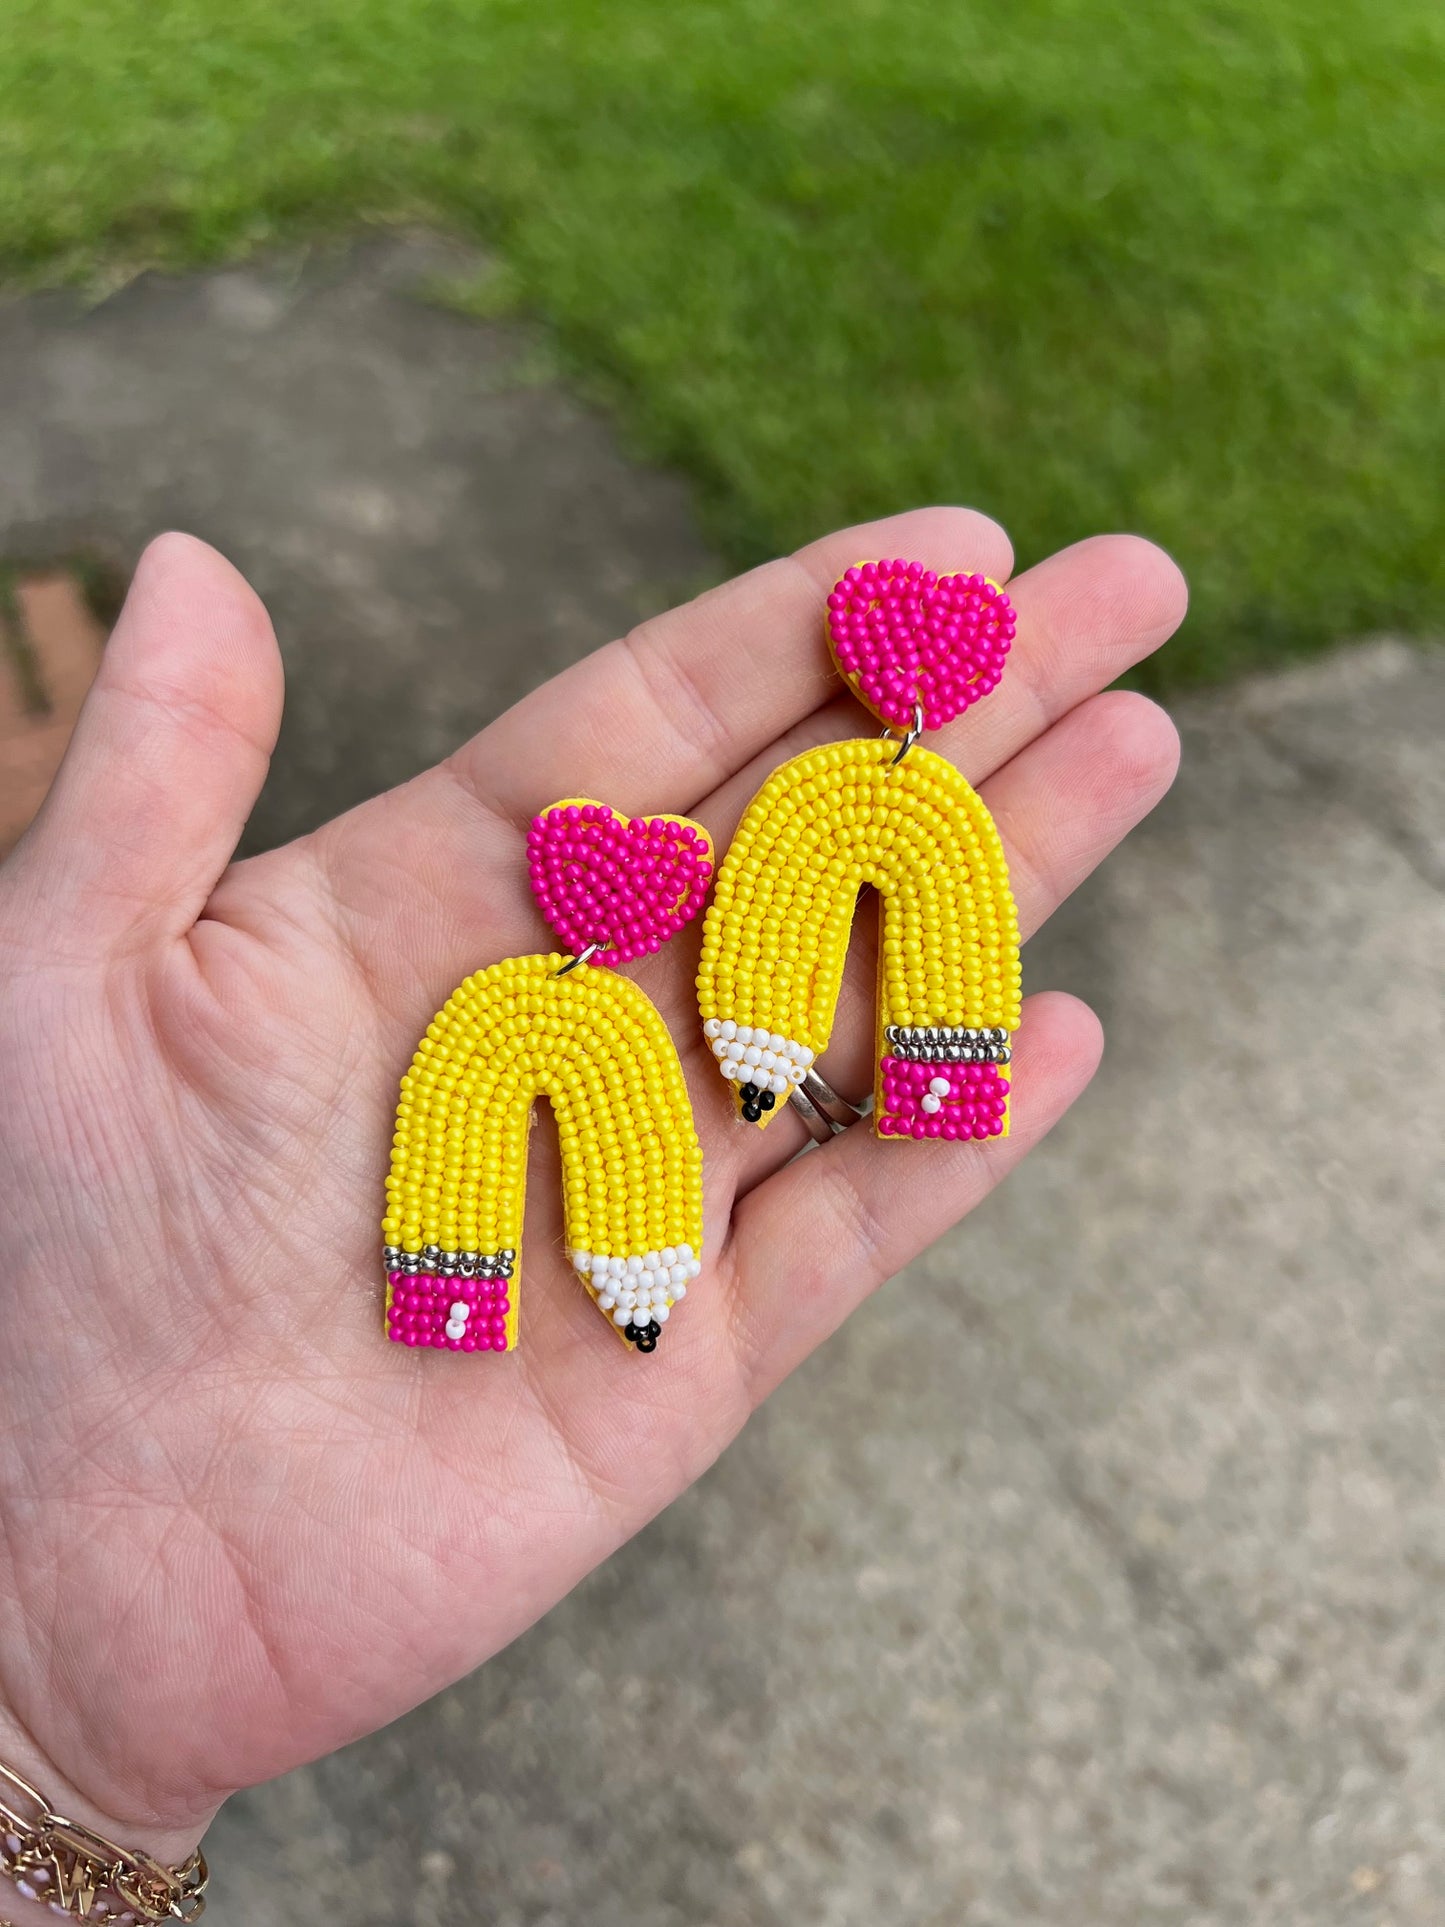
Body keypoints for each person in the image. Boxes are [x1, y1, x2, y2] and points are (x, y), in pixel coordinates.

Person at [0, 507, 1185, 1910]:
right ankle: (523, 1246)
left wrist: (71, 1774)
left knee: (671, 1096)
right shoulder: (539, 991)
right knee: (557, 1100)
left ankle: (918, 1062)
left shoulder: (883, 808)